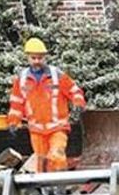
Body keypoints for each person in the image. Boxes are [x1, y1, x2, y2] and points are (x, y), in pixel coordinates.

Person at [7, 37, 86, 173]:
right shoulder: (22, 79)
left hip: (58, 127)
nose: (37, 61)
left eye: (40, 58)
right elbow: (16, 103)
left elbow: (74, 90)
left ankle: (60, 182)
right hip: (36, 130)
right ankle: (45, 185)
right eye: (33, 58)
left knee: (57, 156)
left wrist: (78, 103)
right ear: (27, 57)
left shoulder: (57, 75)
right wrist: (14, 122)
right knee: (42, 162)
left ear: (45, 57)